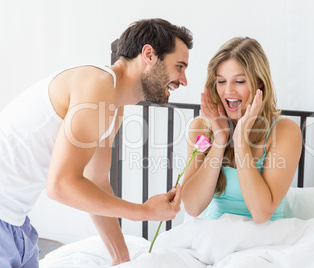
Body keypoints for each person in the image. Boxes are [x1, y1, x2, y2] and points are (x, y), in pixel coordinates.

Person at [0, 18, 192, 267]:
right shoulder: (96, 85)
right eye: (179, 66)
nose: (184, 80)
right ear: (149, 55)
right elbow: (61, 186)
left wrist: (121, 258)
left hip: (16, 224)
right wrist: (144, 211)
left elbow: (96, 181)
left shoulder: (114, 106)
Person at [182, 37, 302, 224]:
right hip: (213, 240)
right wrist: (220, 140)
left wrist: (240, 141)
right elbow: (192, 207)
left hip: (264, 240)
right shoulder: (201, 127)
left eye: (239, 81)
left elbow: (261, 214)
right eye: (221, 81)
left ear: (259, 83)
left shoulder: (285, 131)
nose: (228, 91)